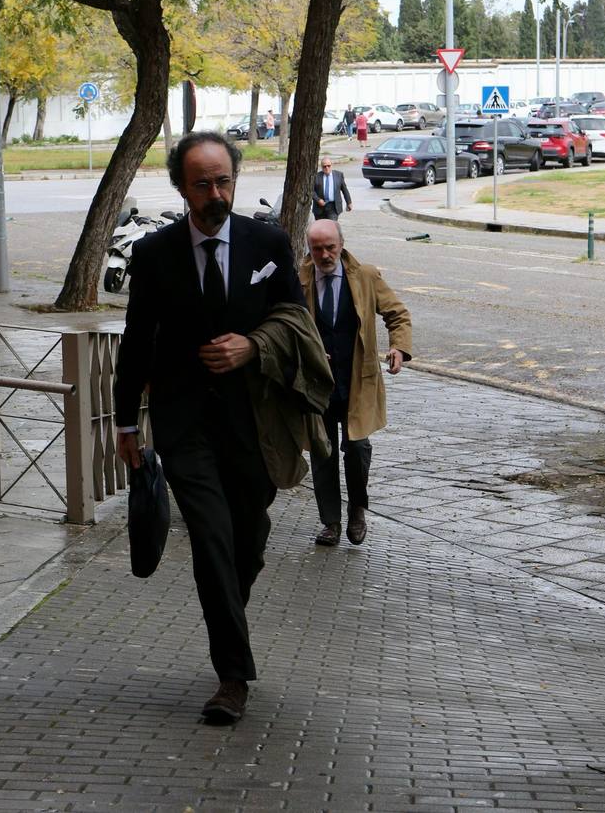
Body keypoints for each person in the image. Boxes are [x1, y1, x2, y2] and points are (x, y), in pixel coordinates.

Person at [114, 131, 306, 725]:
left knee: (245, 541)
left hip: (256, 426)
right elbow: (136, 343)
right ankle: (232, 678)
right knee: (210, 539)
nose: (217, 194)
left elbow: (298, 324)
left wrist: (253, 346)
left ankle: (229, 614)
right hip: (184, 423)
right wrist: (125, 424)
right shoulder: (154, 254)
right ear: (182, 187)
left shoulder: (268, 244)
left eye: (224, 181)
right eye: (203, 184)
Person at [300, 219, 412, 547]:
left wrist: (399, 347)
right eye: (317, 248)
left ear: (341, 245)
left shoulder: (365, 276)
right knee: (323, 453)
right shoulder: (300, 280)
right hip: (318, 384)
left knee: (358, 451)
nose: (324, 255)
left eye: (330, 247)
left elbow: (397, 314)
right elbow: (285, 323)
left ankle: (358, 510)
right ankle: (331, 523)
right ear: (310, 249)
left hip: (357, 382)